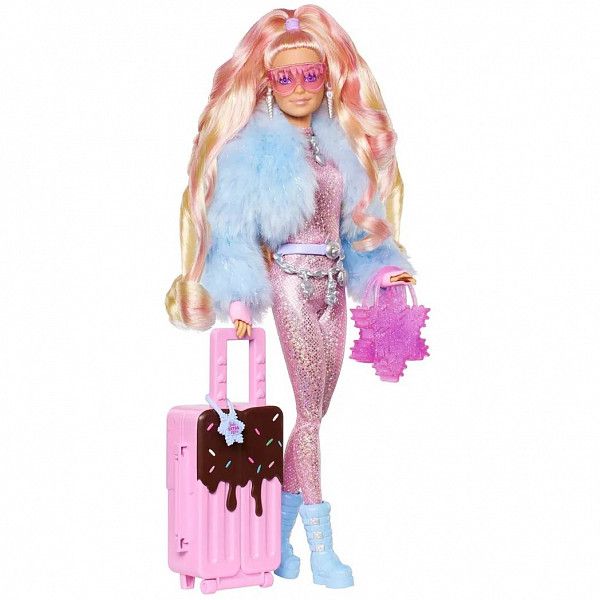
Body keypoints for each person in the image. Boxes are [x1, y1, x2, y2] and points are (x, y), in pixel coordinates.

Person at [165, 5, 417, 589]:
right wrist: (237, 302)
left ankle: (276, 541)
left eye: (311, 74)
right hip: (291, 284)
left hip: (334, 287)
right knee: (307, 415)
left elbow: (359, 229)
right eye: (285, 76)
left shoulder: (341, 144)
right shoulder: (252, 150)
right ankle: (322, 547)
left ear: (327, 77)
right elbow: (232, 233)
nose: (299, 87)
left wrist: (385, 272)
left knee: (316, 414)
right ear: (267, 82)